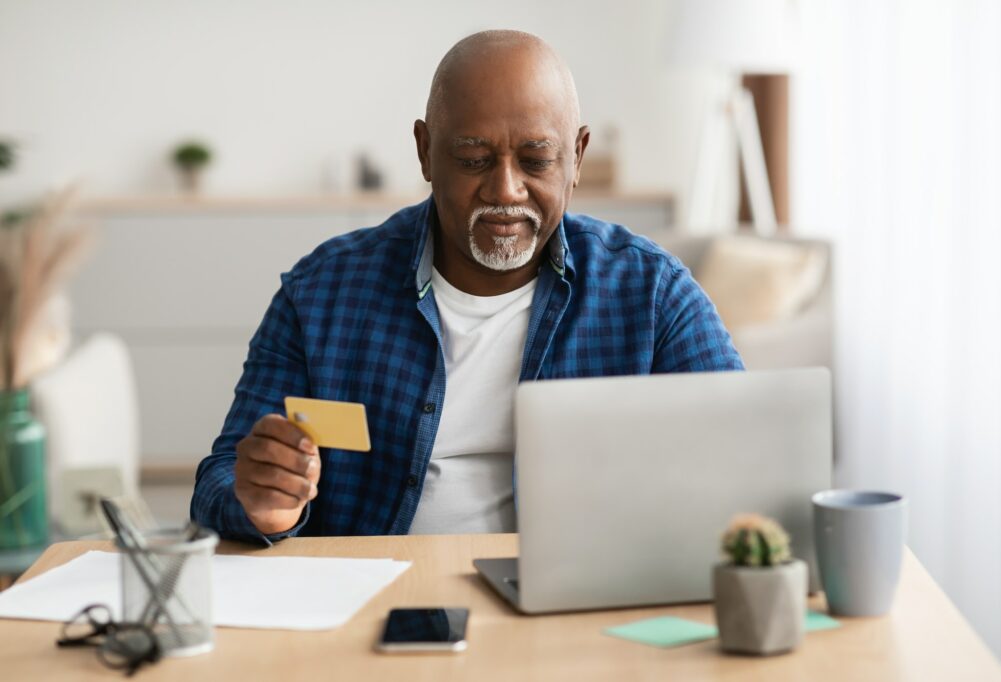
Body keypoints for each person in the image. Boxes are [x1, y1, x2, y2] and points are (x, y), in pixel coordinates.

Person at [190, 30, 743, 545]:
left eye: (536, 160)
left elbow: (746, 462)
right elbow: (218, 481)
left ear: (576, 156)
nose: (506, 189)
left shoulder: (651, 294)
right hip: (375, 609)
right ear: (425, 151)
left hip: (579, 611)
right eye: (474, 159)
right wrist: (264, 504)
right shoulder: (322, 294)